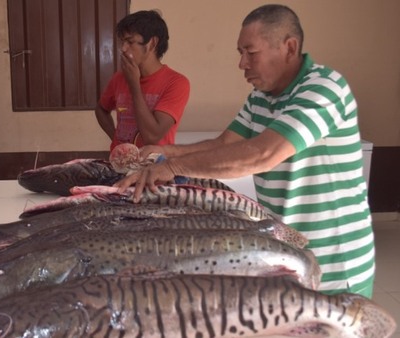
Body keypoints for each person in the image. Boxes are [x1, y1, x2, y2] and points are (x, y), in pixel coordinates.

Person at [115, 4, 374, 298]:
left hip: (335, 263)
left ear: (289, 47)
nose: (242, 63)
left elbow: (262, 154)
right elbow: (225, 144)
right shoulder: (260, 97)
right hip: (288, 255)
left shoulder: (324, 88)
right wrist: (167, 152)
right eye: (240, 52)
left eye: (251, 52)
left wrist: (172, 168)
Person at [95, 10, 190, 152]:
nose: (124, 49)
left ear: (152, 43)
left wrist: (134, 85)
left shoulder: (176, 83)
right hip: (120, 165)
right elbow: (101, 109)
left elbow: (152, 137)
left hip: (155, 167)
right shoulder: (119, 78)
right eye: (122, 42)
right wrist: (115, 138)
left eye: (130, 42)